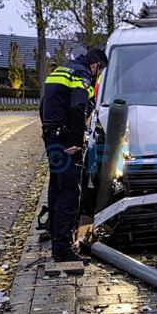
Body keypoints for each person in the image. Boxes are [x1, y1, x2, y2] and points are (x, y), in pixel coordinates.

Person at [40, 48, 108, 262]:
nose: (98, 74)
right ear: (96, 65)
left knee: (56, 187)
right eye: (100, 70)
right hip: (66, 140)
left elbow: (43, 106)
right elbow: (78, 106)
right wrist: (76, 142)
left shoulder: (61, 70)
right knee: (70, 191)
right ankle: (63, 249)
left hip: (51, 136)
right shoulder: (81, 74)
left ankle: (54, 235)